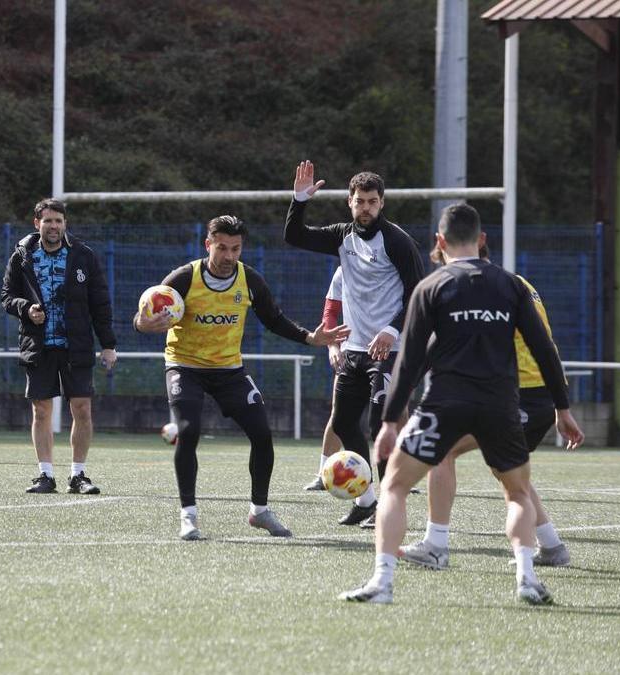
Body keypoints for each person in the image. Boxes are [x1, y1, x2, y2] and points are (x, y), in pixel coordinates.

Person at [339, 204, 583, 606]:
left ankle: (383, 581)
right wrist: (563, 409)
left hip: (443, 405)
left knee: (395, 485)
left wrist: (389, 422)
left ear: (440, 241)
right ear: (482, 239)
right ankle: (526, 577)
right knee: (518, 493)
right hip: (500, 406)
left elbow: (410, 360)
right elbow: (544, 350)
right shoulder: (512, 286)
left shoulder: (431, 286)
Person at [135, 215, 349, 540]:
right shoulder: (184, 278)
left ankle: (259, 511)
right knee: (189, 432)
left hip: (229, 370)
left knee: (262, 435)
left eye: (235, 249)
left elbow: (273, 319)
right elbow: (143, 315)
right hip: (185, 366)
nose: (229, 256)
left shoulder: (249, 280)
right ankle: (188, 517)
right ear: (208, 245)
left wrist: (310, 337)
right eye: (222, 248)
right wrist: (142, 324)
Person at [399, 239, 571, 570]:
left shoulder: (486, 291)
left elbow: (446, 342)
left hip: (522, 396)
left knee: (443, 449)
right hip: (534, 396)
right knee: (509, 471)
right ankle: (552, 546)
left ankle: (436, 545)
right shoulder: (517, 284)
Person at [285, 161, 426, 528]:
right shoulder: (341, 236)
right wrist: (299, 200)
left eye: (372, 201)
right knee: (345, 423)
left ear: (382, 203)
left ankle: (390, 509)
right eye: (360, 201)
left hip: (391, 351)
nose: (366, 208)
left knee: (381, 427)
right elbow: (295, 237)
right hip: (355, 351)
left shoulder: (397, 241)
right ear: (349, 202)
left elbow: (418, 293)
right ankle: (366, 502)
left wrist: (392, 330)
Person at [1, 198, 117, 495]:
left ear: (65, 224)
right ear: (37, 223)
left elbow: (100, 303)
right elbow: (7, 297)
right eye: (48, 221)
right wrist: (27, 309)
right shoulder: (22, 256)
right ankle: (45, 475)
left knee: (82, 409)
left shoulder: (83, 255)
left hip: (76, 344)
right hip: (38, 345)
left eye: (58, 221)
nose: (53, 226)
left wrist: (108, 344)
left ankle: (78, 475)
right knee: (41, 411)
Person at [302, 266, 346, 491]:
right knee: (340, 413)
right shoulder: (344, 269)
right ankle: (323, 475)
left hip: (389, 350)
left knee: (397, 414)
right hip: (351, 352)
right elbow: (330, 312)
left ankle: (399, 477)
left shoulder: (394, 263)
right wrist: (333, 346)